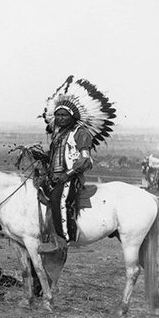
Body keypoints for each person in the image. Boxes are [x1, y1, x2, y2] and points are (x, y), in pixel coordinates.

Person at [39, 77, 115, 250]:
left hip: (71, 177)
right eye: (57, 115)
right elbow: (55, 156)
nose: (60, 118)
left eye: (64, 115)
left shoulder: (81, 134)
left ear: (72, 117)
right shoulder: (58, 134)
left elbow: (85, 160)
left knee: (59, 198)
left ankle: (63, 238)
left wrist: (68, 174)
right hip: (56, 176)